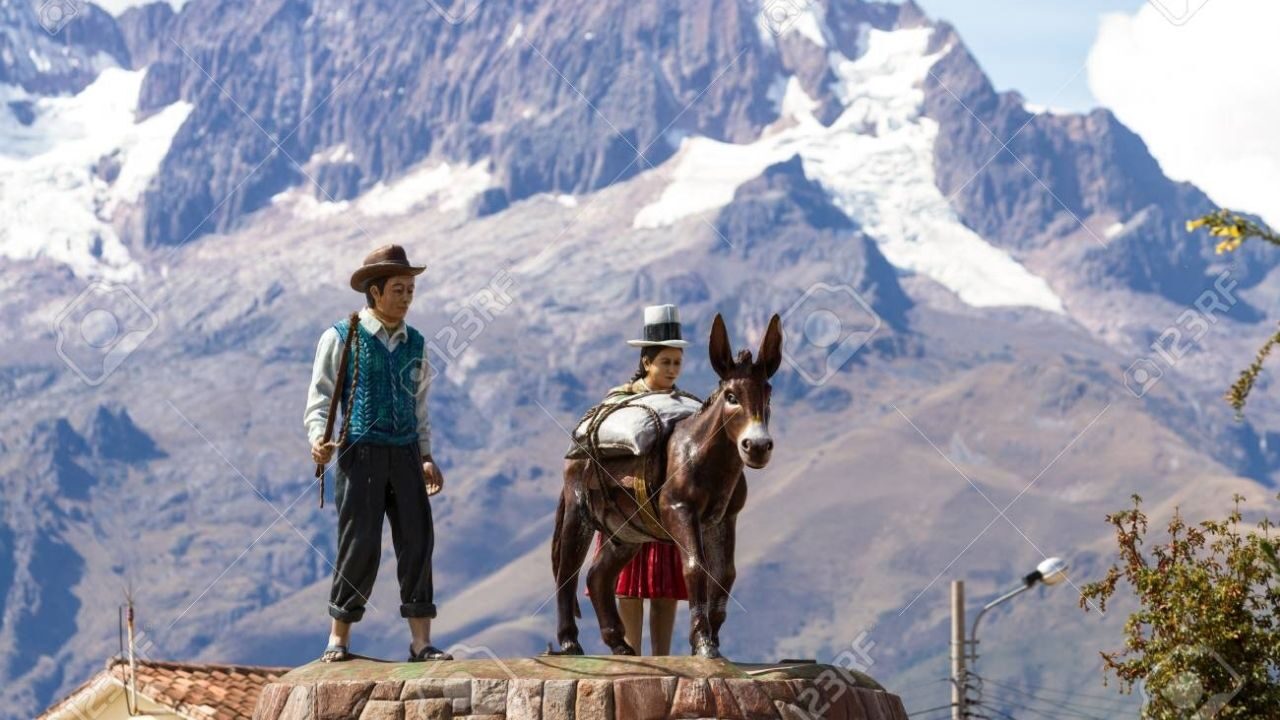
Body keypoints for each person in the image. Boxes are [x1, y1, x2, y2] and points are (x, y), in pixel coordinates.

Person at [303, 244, 451, 663]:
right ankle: (339, 638)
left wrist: (425, 454)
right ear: (374, 292)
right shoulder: (340, 337)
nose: (407, 297)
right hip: (360, 455)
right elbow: (320, 397)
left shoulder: (415, 343)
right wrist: (318, 437)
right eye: (399, 289)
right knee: (360, 543)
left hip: (404, 453)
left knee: (417, 539)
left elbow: (418, 406)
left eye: (410, 290)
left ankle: (421, 642)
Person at [592, 304, 691, 655]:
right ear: (647, 362)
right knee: (628, 582)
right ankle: (630, 651)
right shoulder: (621, 400)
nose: (672, 369)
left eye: (677, 362)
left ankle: (663, 656)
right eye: (665, 361)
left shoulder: (685, 405)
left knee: (665, 586)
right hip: (627, 504)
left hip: (666, 507)